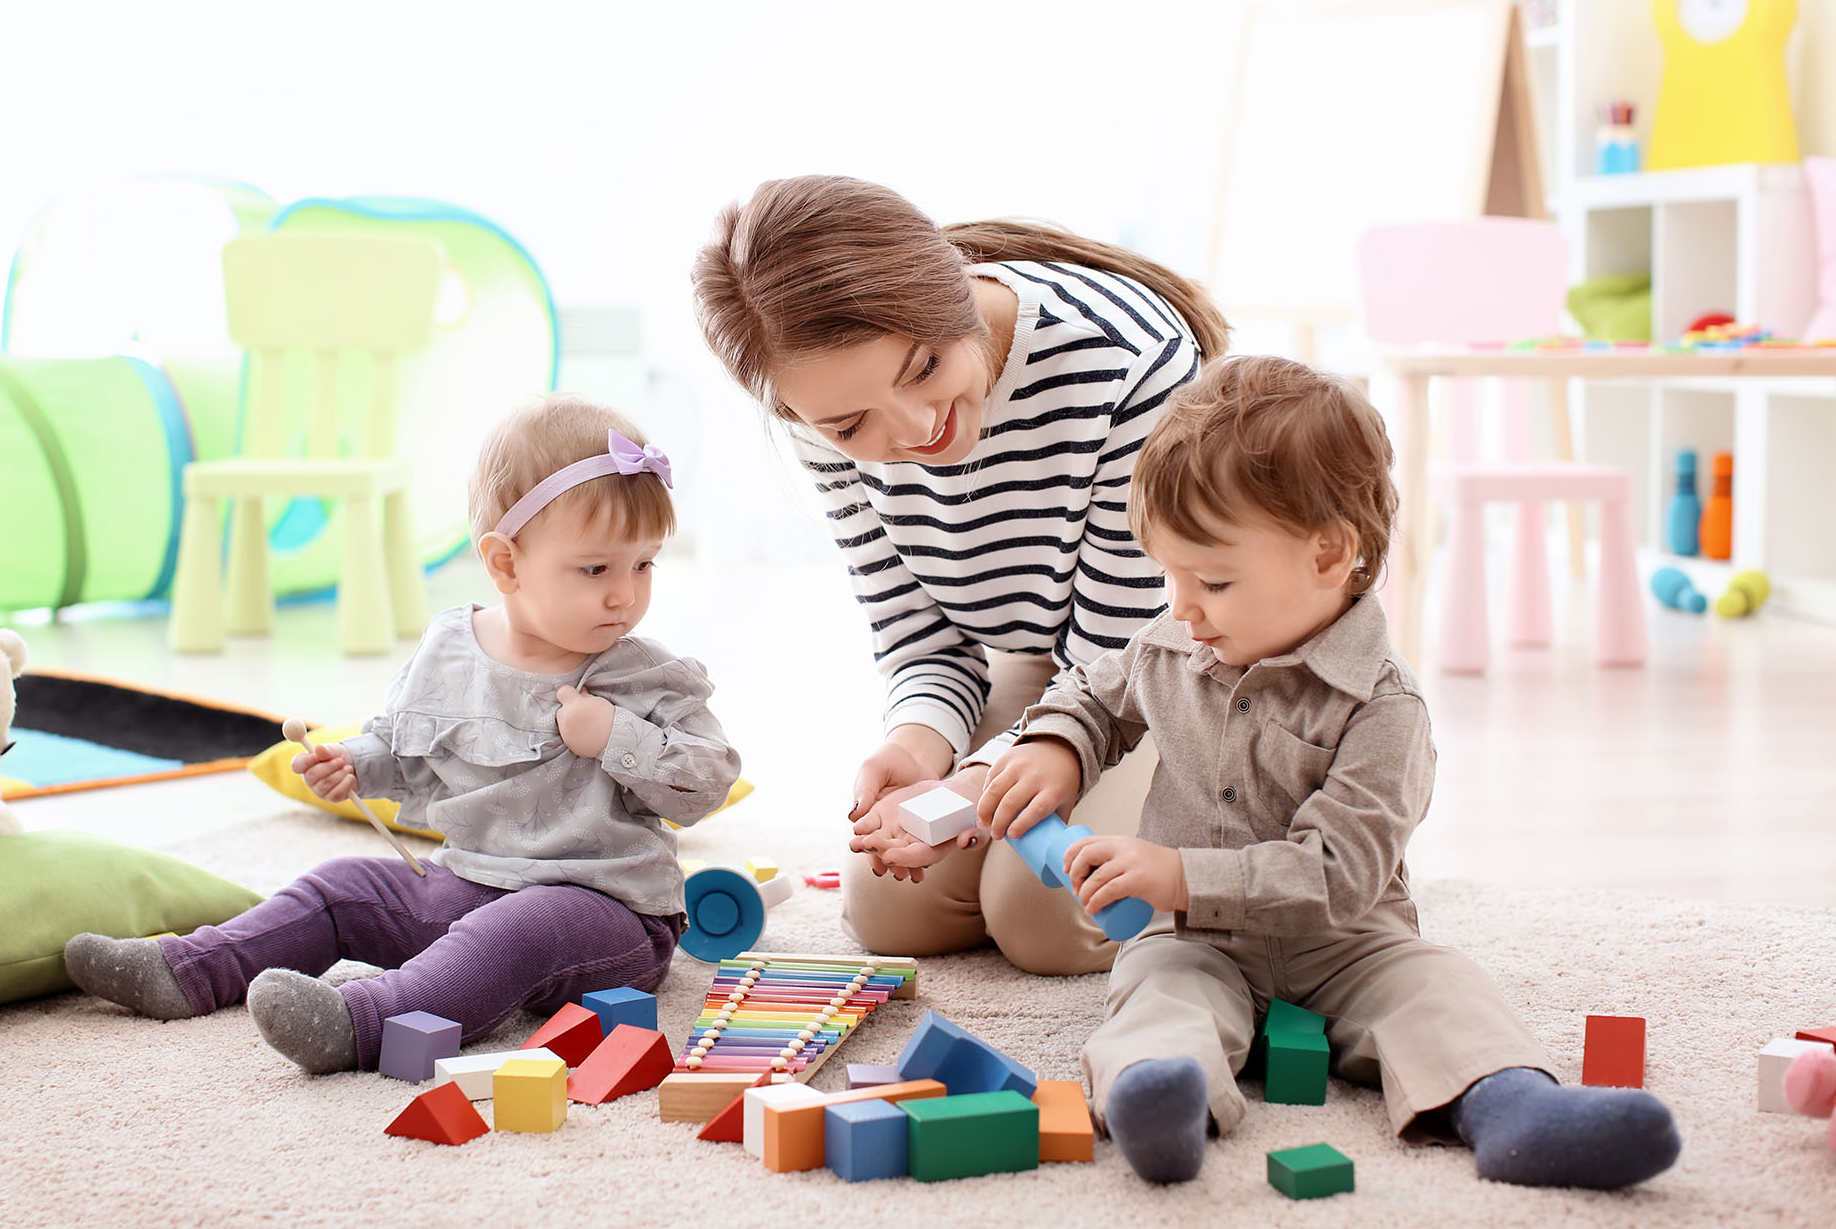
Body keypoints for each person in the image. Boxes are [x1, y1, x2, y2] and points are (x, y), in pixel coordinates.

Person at [976, 355, 1681, 1188]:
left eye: (1210, 579)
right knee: (1158, 991)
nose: (1179, 605)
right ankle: (1156, 1098)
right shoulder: (1174, 645)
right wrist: (1055, 743)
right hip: (1196, 940)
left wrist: (1177, 873)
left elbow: (1341, 873)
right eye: (1166, 573)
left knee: (1439, 987)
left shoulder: (1387, 708)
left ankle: (1513, 1107)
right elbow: (1096, 691)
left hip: (1347, 942)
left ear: (1330, 555)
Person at [64, 397, 741, 1073]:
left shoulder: (644, 674)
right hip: (468, 880)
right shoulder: (451, 647)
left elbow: (707, 780)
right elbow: (404, 746)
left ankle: (365, 1020)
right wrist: (356, 763)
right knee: (341, 886)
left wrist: (617, 734)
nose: (627, 594)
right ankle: (186, 969)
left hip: (605, 914)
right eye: (597, 569)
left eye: (644, 564)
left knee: (516, 930)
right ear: (505, 565)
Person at [692, 174, 1228, 975]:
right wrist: (919, 744)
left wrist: (976, 783)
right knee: (892, 906)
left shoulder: (1126, 362)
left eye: (923, 366)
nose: (915, 429)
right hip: (1045, 656)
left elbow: (1115, 659)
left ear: (954, 295)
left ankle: (1237, 839)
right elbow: (921, 639)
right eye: (849, 424)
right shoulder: (818, 419)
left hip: (1167, 662)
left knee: (1046, 915)